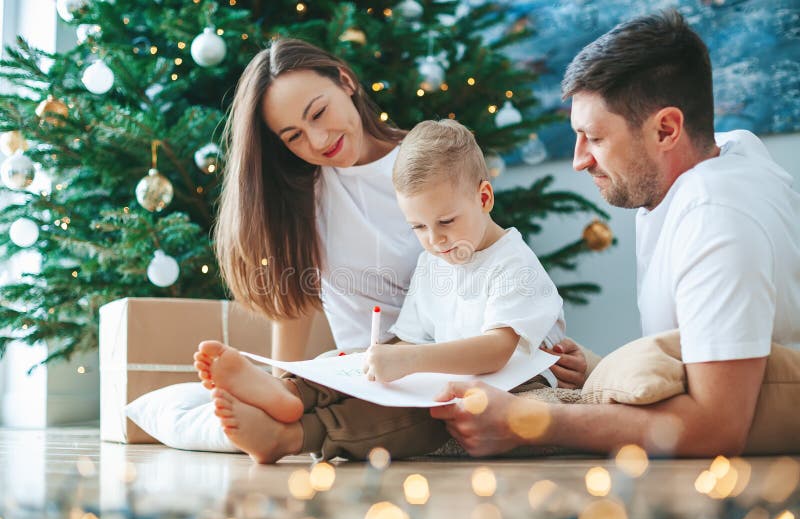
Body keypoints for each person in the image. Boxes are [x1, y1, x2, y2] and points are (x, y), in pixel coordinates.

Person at [429, 9, 800, 457]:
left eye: (595, 138)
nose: (579, 159)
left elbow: (718, 428)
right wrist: (604, 371)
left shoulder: (715, 220)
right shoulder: (730, 150)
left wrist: (525, 421)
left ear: (667, 129)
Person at [195, 37, 585, 462]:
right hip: (377, 363)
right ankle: (289, 393)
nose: (319, 139)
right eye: (294, 136)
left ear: (345, 81)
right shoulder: (307, 197)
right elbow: (308, 309)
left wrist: (551, 352)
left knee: (402, 414)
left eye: (319, 113)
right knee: (338, 363)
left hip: (438, 374)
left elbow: (500, 302)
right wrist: (283, 381)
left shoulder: (434, 173)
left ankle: (293, 435)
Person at [363, 119, 565, 385]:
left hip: (517, 387)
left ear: (484, 199)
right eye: (419, 227)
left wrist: (410, 360)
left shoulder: (512, 262)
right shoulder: (430, 263)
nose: (435, 239)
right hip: (457, 384)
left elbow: (496, 351)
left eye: (446, 221)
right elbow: (411, 341)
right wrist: (382, 358)